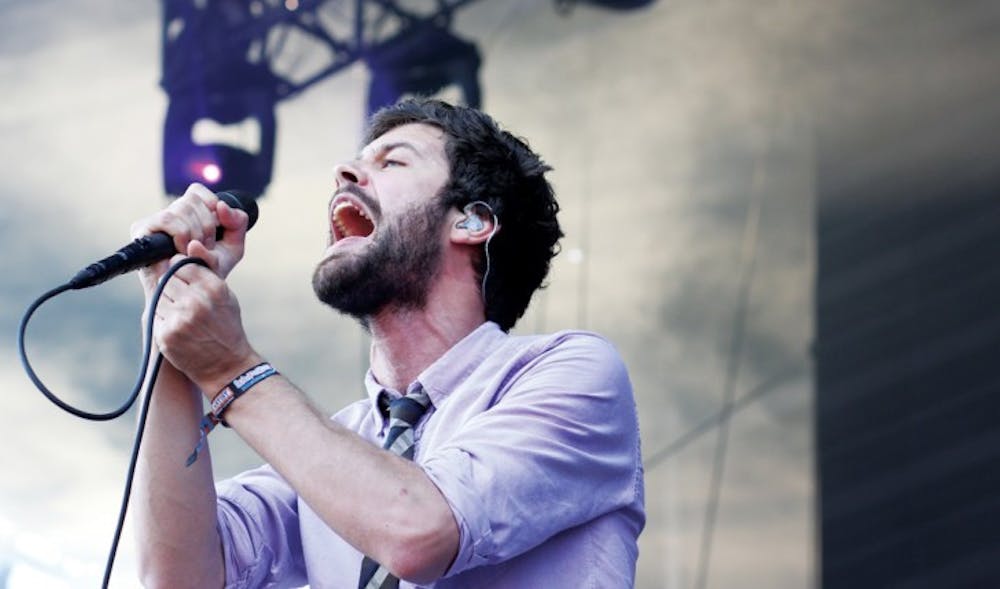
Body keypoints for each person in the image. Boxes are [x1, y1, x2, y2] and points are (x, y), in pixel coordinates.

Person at [132, 99, 645, 588]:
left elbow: (419, 533)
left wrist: (230, 368)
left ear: (471, 220)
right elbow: (181, 575)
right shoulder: (337, 444)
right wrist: (170, 325)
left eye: (393, 161)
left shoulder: (572, 371)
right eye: (354, 163)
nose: (345, 173)